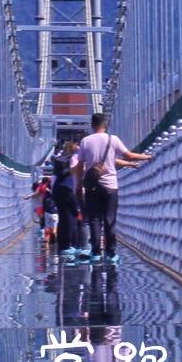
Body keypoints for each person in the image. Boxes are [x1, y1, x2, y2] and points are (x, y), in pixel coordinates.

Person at [72, 111, 145, 259]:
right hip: (111, 186)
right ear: (105, 124)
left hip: (92, 185)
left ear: (92, 125)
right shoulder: (113, 139)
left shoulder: (86, 141)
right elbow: (128, 156)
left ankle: (96, 253)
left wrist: (79, 185)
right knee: (109, 218)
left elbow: (79, 165)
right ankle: (110, 253)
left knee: (94, 219)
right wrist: (148, 156)